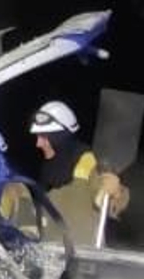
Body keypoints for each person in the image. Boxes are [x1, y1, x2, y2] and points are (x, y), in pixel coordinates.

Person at [26, 100, 128, 243]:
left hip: (83, 260)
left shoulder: (87, 161)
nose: (38, 144)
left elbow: (111, 200)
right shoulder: (49, 170)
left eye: (43, 137)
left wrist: (116, 192)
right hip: (52, 257)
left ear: (59, 137)